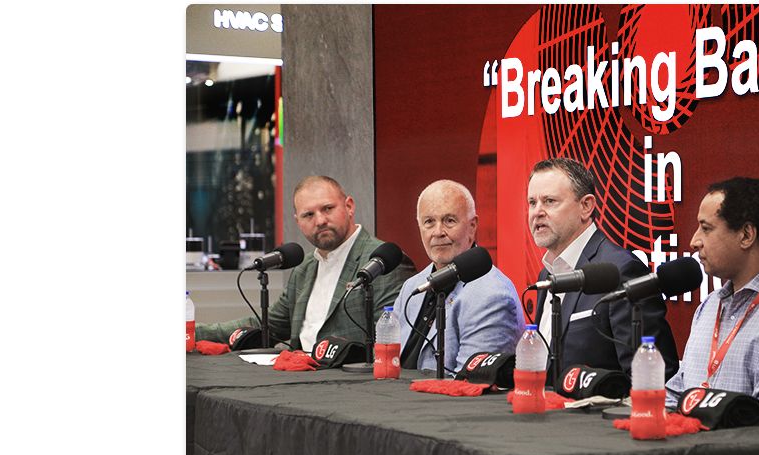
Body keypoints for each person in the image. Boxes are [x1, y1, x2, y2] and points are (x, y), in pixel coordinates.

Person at [197, 176, 416, 352]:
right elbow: (265, 325)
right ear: (297, 222)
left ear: (349, 206)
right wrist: (193, 333)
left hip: (353, 387)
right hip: (299, 381)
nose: (320, 220)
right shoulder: (304, 268)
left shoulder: (382, 262)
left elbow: (389, 343)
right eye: (308, 215)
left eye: (327, 208)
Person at [663, 178, 759, 420]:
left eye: (706, 228)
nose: (694, 241)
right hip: (687, 452)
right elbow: (677, 394)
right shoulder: (709, 306)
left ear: (746, 235)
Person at [526, 158, 679, 379]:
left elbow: (652, 377)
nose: (537, 212)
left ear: (586, 206)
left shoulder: (621, 271)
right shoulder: (547, 273)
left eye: (549, 201)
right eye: (532, 202)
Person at [394, 180, 523, 374]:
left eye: (449, 221)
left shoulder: (492, 296)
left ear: (472, 226)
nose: (438, 232)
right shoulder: (412, 286)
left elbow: (468, 384)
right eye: (429, 222)